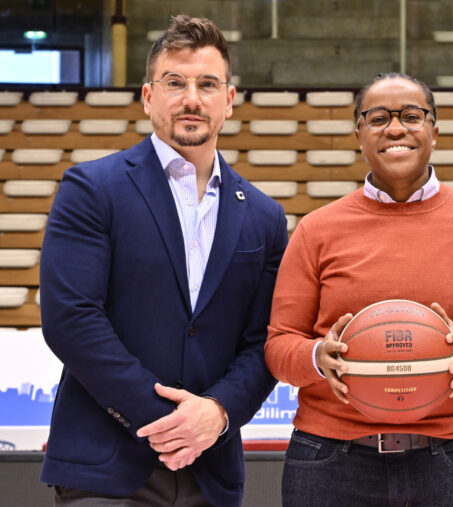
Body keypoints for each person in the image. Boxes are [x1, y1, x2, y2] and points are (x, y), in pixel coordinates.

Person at [39, 15, 287, 506]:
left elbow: (265, 342)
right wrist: (168, 425)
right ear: (149, 97)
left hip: (210, 472)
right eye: (175, 82)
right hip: (105, 468)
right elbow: (72, 320)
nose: (192, 98)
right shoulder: (91, 189)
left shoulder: (263, 215)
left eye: (207, 84)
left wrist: (215, 414)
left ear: (229, 100)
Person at [265, 72, 453, 506]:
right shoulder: (316, 230)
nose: (395, 128)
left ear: (434, 131)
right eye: (378, 118)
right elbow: (279, 348)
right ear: (359, 135)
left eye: (411, 115)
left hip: (449, 460)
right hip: (330, 459)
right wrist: (317, 356)